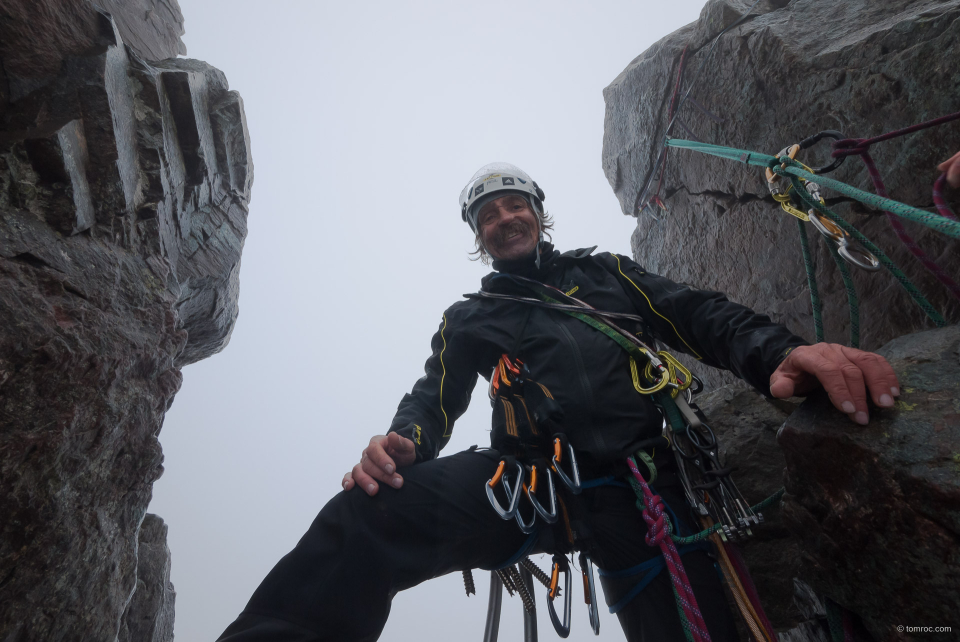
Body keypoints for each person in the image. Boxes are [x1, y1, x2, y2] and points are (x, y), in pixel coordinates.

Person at [217, 162, 901, 642]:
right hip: (532, 481)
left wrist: (778, 352)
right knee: (370, 515)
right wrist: (404, 441)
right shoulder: (472, 318)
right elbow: (434, 397)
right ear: (478, 237)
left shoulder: (606, 277)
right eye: (488, 215)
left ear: (539, 215)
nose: (504, 218)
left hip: (655, 481)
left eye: (515, 205)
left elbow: (698, 315)